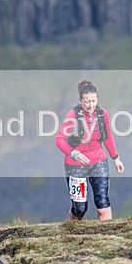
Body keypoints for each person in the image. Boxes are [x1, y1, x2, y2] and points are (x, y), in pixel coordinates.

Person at [55, 80, 124, 221]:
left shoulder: (102, 114)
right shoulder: (73, 115)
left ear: (97, 98)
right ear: (81, 101)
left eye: (93, 101)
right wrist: (74, 154)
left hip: (98, 161)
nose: (91, 105)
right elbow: (59, 139)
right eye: (87, 102)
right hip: (75, 165)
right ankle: (72, 232)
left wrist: (115, 158)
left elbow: (107, 137)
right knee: (80, 208)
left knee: (102, 202)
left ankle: (107, 240)